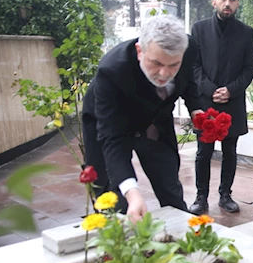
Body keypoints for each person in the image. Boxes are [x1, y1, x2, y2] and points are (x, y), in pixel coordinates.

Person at [82, 15, 203, 223]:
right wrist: (132, 192)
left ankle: (179, 234)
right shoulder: (111, 72)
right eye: (156, 63)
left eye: (173, 65)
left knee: (169, 183)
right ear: (140, 51)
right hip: (109, 120)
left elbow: (188, 80)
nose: (164, 74)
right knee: (112, 194)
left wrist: (196, 109)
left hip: (155, 119)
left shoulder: (188, 47)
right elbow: (113, 139)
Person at [188, 0, 253, 215]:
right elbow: (194, 65)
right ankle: (200, 197)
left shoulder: (246, 33)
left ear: (237, 3)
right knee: (203, 153)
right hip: (206, 103)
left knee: (230, 151)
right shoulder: (199, 29)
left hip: (233, 102)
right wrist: (210, 90)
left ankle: (225, 195)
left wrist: (230, 90)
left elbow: (249, 68)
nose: (228, 3)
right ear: (214, 1)